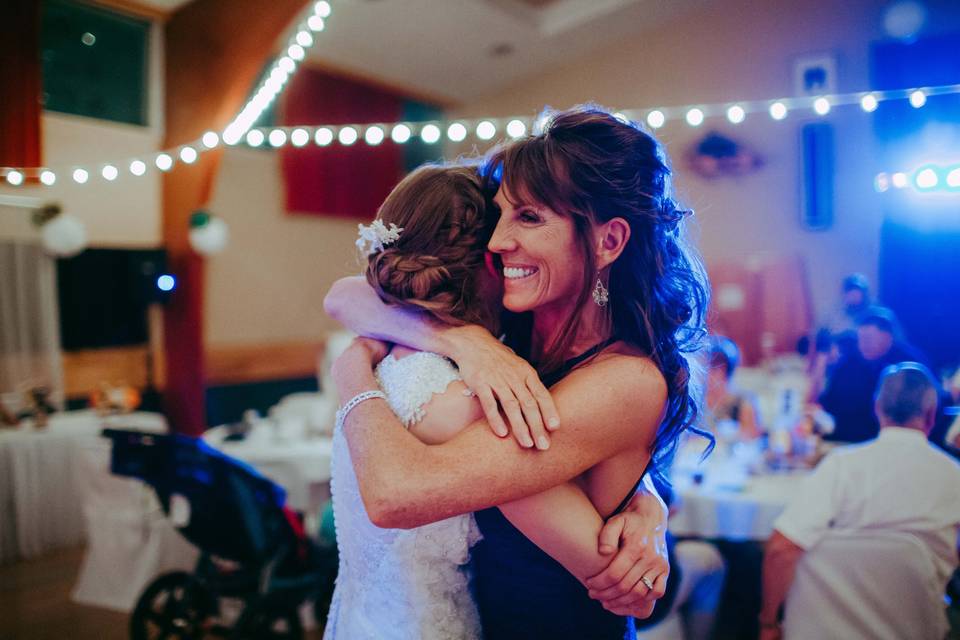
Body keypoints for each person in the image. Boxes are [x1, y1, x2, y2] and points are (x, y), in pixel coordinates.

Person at [325, 105, 710, 638]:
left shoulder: (627, 381)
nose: (497, 242)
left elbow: (398, 494)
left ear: (609, 241)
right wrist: (462, 340)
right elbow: (347, 296)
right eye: (501, 215)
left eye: (529, 217)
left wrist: (351, 372)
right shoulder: (514, 328)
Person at [759, 362, 960, 640]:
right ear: (931, 415)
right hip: (918, 628)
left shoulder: (841, 466)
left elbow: (781, 549)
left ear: (877, 408)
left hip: (824, 629)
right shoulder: (954, 476)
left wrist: (769, 622)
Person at [811, 306, 926, 442]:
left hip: (892, 440)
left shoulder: (910, 363)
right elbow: (828, 402)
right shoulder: (848, 363)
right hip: (844, 439)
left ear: (887, 337)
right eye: (860, 339)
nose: (863, 345)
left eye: (868, 339)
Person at [704, 336, 761, 439]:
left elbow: (752, 437)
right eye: (710, 366)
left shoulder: (743, 402)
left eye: (720, 368)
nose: (712, 373)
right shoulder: (697, 402)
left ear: (728, 370)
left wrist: (727, 434)